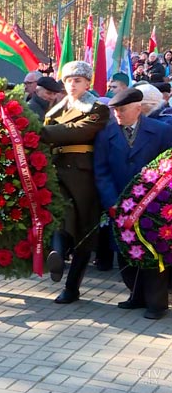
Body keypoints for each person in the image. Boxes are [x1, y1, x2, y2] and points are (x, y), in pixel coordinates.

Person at [94, 88, 172, 319]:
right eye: (115, 110)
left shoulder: (161, 131)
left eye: (123, 109)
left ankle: (156, 304)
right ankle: (135, 296)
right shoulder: (105, 135)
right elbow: (101, 172)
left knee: (152, 253)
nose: (118, 114)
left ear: (138, 108)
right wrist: (111, 201)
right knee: (125, 252)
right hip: (119, 205)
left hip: (152, 208)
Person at [43, 61, 110, 304]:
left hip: (85, 175)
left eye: (78, 80)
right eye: (69, 80)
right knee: (58, 213)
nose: (72, 84)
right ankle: (57, 257)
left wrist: (40, 132)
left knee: (85, 231)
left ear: (87, 83)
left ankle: (72, 286)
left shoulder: (97, 108)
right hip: (56, 171)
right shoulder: (55, 110)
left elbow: (81, 131)